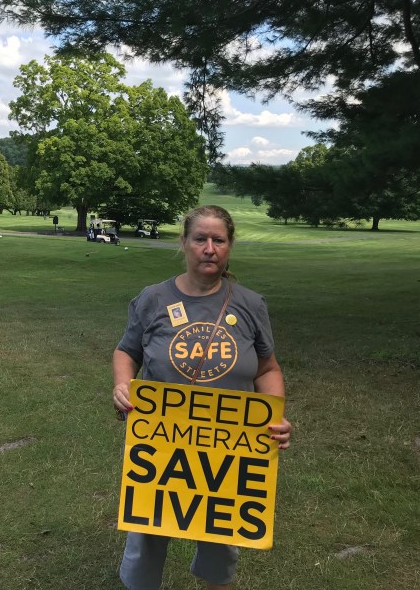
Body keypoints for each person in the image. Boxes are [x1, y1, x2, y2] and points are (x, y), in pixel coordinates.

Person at [112, 205, 293, 590]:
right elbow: (127, 351)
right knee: (147, 532)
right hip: (161, 443)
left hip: (228, 448)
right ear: (184, 243)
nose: (209, 248)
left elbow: (267, 369)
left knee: (220, 542)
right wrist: (123, 384)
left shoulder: (250, 304)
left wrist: (275, 415)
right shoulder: (153, 298)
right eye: (200, 239)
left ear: (229, 246)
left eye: (218, 240)